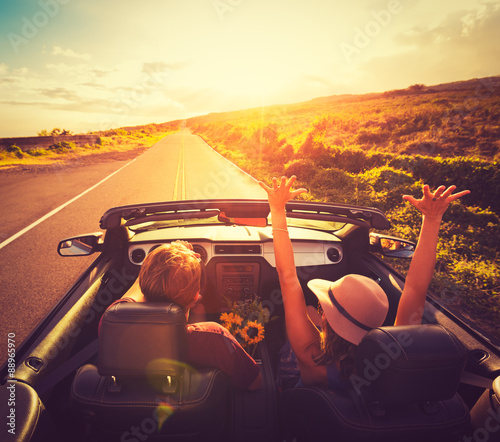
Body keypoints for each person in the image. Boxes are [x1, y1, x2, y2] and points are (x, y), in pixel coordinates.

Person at [259, 175, 470, 388]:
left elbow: (288, 278)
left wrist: (277, 210)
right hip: (343, 414)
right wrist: (432, 220)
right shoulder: (390, 357)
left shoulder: (311, 354)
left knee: (305, 312)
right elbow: (415, 288)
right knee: (307, 312)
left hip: (304, 406)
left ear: (327, 317)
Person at [99, 240, 262, 390]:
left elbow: (134, 294)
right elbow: (255, 383)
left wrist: (159, 260)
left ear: (143, 281)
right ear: (196, 296)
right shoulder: (213, 338)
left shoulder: (112, 325)